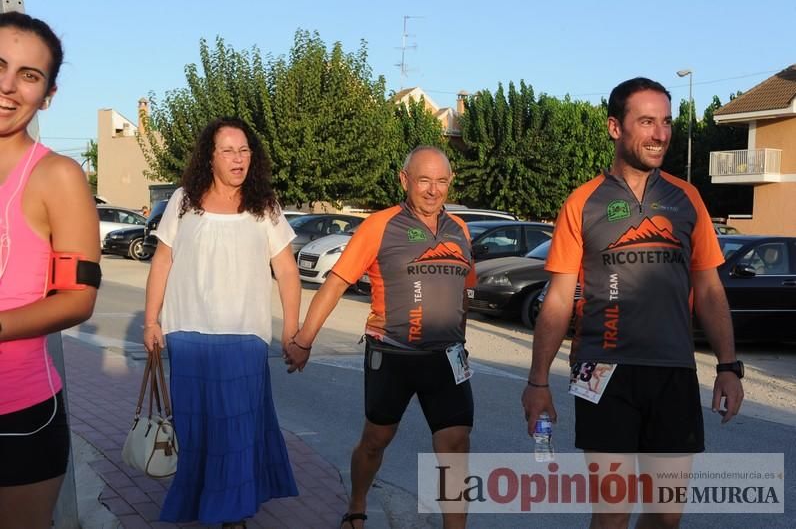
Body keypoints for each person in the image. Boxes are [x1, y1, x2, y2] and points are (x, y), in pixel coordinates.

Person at [521, 77, 744, 528]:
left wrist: (728, 366)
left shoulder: (688, 199)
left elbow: (709, 290)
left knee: (666, 515)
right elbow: (560, 297)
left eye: (665, 122)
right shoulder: (582, 202)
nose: (660, 134)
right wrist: (538, 381)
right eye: (646, 122)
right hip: (603, 370)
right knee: (612, 512)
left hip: (674, 371)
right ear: (614, 128)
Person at [285, 146, 476, 529]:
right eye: (424, 180)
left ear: (451, 182)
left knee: (455, 448)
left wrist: (461, 342)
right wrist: (304, 339)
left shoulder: (461, 230)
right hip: (393, 356)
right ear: (404, 180)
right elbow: (336, 282)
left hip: (447, 360)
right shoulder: (380, 225)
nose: (433, 190)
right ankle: (357, 504)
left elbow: (463, 294)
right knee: (375, 441)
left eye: (441, 181)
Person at [142, 117, 302, 528]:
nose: (238, 158)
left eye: (244, 150)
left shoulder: (263, 206)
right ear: (209, 157)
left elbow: (286, 271)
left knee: (236, 431)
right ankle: (203, 505)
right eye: (228, 150)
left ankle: (232, 515)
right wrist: (150, 321)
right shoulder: (182, 201)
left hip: (244, 338)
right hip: (188, 335)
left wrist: (291, 328)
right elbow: (162, 261)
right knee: (196, 431)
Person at [0, 12, 101, 529]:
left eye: (29, 75)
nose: (7, 86)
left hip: (17, 415)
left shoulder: (56, 176)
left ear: (49, 94)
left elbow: (77, 298)